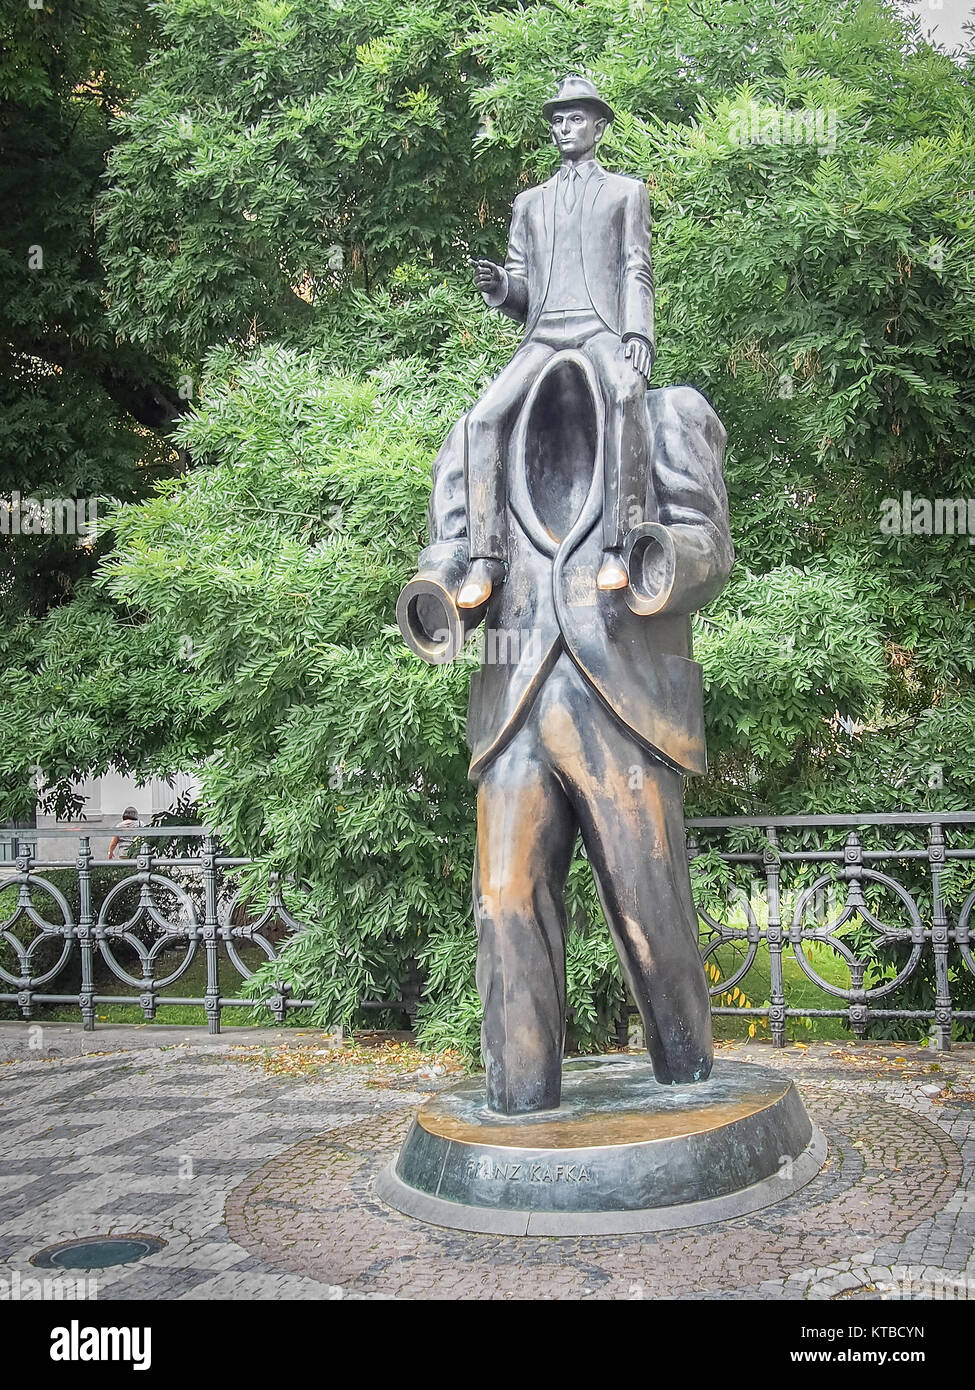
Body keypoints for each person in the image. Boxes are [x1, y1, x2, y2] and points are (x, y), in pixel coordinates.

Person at [457, 75, 656, 611]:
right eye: (557, 121)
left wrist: (638, 333)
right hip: (543, 334)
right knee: (482, 419)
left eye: (574, 119)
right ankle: (484, 559)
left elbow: (637, 269)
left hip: (599, 331)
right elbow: (521, 286)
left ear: (599, 126)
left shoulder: (625, 194)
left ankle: (621, 547)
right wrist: (501, 287)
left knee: (627, 396)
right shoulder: (529, 203)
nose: (564, 129)